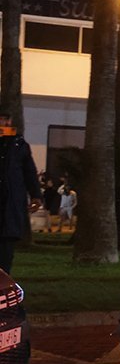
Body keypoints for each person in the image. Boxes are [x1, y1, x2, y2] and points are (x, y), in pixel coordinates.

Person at [0, 113, 41, 274]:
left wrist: (36, 195)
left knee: (5, 255)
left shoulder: (19, 144)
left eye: (3, 119)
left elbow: (29, 172)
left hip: (10, 208)